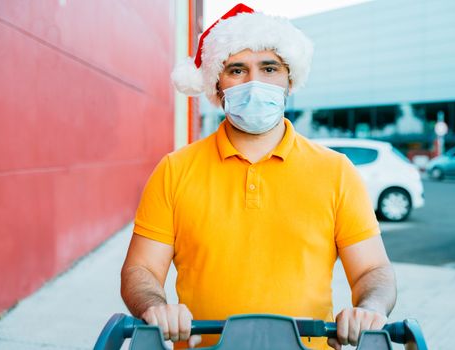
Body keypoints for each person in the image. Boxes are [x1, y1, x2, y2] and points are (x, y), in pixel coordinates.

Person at [120, 3, 396, 349]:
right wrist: (156, 309)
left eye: (269, 68)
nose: (254, 82)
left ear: (289, 79)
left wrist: (368, 311)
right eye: (237, 70)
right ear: (216, 84)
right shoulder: (175, 170)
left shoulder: (336, 171)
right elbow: (140, 270)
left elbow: (373, 272)